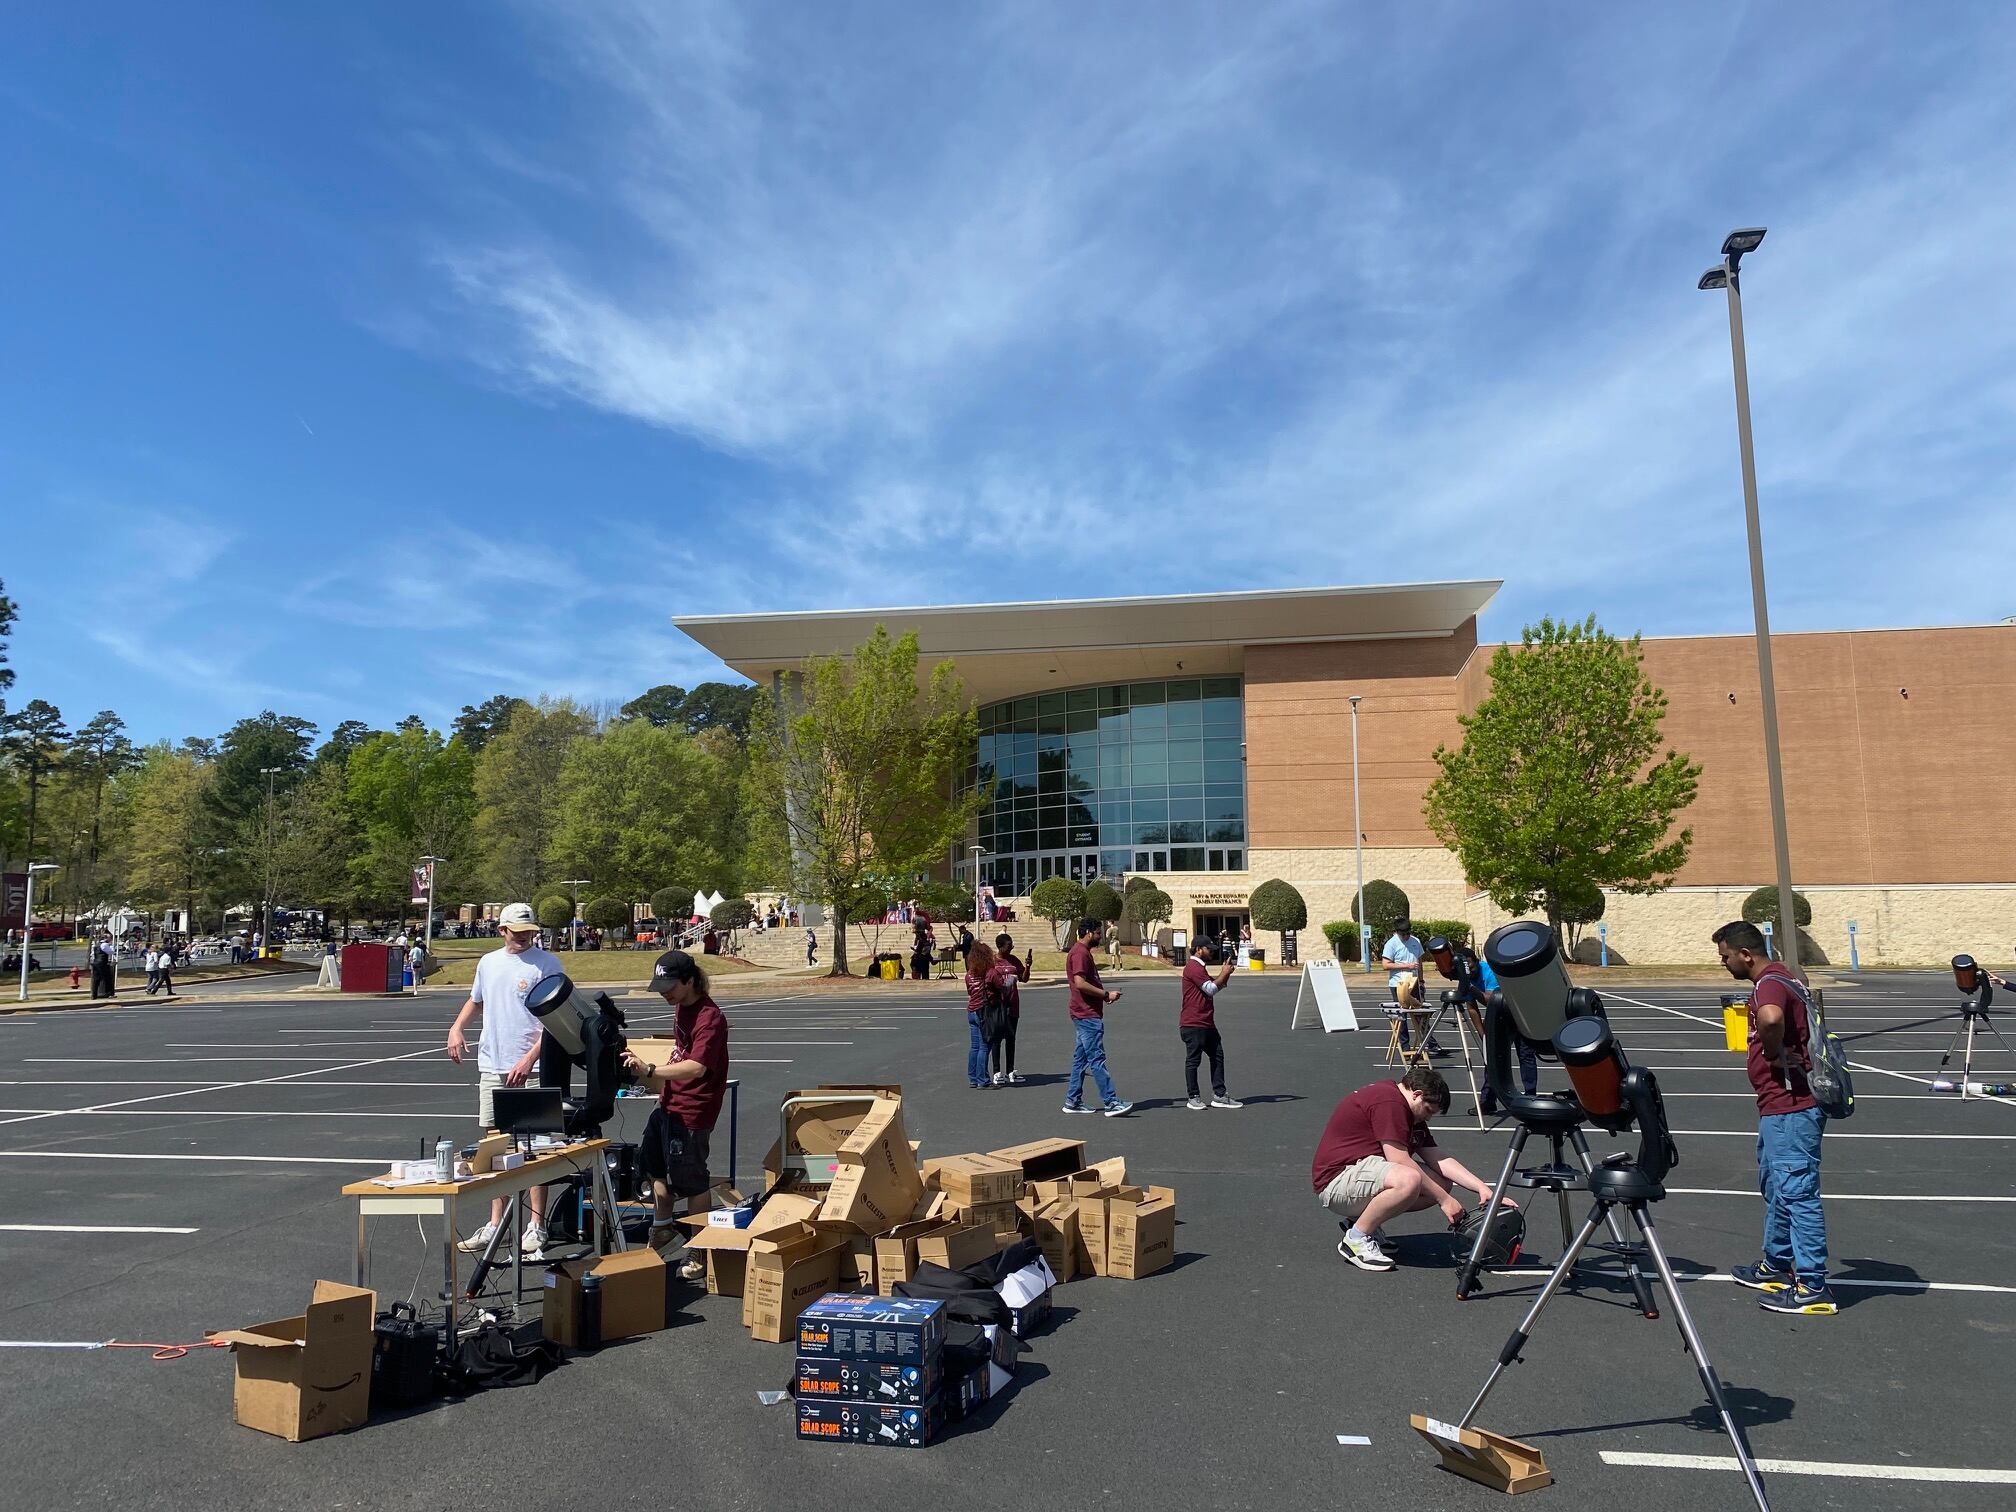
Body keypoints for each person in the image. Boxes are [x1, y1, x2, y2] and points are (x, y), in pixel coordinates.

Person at [1715, 920, 1835, 1315]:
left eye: (1726, 956)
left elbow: (1769, 1019)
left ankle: (1812, 1286)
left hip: (1791, 1107)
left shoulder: (1769, 984)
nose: (1724, 963)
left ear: (1745, 954)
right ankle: (1776, 1264)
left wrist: (1772, 1053)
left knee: (1798, 1192)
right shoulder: (1785, 977)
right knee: (1778, 1187)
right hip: (1777, 1107)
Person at [445, 902, 563, 1260]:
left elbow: (555, 1020)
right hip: (493, 1064)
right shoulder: (489, 963)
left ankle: (536, 1225)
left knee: (535, 1147)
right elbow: (476, 1001)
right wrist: (456, 1027)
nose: (526, 936)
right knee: (494, 1146)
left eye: (530, 931)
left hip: (533, 1067)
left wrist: (530, 1059)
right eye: (518, 931)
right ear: (502, 930)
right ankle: (496, 1224)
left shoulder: (547, 964)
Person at [1313, 1065, 1511, 1271]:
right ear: (1417, 1095)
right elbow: (1399, 1159)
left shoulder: (1408, 1110)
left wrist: (1482, 1188)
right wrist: (1445, 1201)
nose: (1428, 1118)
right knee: (1409, 1179)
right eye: (1428, 1111)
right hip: (1336, 1183)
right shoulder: (1389, 1101)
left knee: (1440, 1183)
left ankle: (1360, 1221)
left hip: (1356, 1177)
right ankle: (1356, 1238)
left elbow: (1438, 1158)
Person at [621, 949, 730, 1281]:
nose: (665, 993)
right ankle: (663, 1229)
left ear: (691, 980)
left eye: (670, 986)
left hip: (693, 1110)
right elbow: (678, 1053)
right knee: (651, 1168)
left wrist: (652, 1068)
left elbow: (696, 1067)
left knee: (692, 1182)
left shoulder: (710, 1017)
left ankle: (700, 1249)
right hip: (669, 1103)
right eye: (660, 986)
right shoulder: (682, 1008)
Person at [1063, 918, 1132, 1116]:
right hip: (1086, 1015)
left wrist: (1104, 995)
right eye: (1097, 933)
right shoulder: (1080, 953)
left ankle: (1072, 1101)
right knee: (1097, 1059)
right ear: (1087, 933)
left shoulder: (1081, 952)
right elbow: (1080, 983)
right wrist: (1105, 995)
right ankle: (1111, 1102)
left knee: (1080, 1059)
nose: (1100, 936)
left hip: (1084, 1012)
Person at [1180, 937, 1241, 1110]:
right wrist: (1224, 974)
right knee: (1193, 1061)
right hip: (1193, 1023)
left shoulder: (1200, 968)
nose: (1212, 951)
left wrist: (1225, 974)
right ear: (1198, 949)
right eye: (1209, 949)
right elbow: (1210, 989)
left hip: (1206, 1022)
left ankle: (1219, 1095)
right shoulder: (1193, 967)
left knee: (1217, 1056)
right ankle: (1193, 1097)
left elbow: (1214, 986)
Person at [1382, 916, 1439, 1056]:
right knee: (1402, 1015)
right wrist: (1406, 965)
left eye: (1408, 933)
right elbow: (1385, 965)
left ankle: (1430, 1043)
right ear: (1397, 932)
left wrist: (1421, 981)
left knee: (1421, 1013)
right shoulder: (1391, 944)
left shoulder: (1415, 941)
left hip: (1414, 983)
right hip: (1399, 983)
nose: (1406, 936)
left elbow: (1419, 962)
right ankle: (1405, 1047)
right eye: (1403, 934)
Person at [990, 932, 1028, 1085]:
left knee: (1011, 1038)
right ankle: (997, 1072)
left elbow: (1024, 978)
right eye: (1009, 945)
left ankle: (1011, 1071)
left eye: (1012, 944)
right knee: (997, 1039)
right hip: (997, 1006)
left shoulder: (1013, 960)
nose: (1011, 947)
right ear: (1000, 946)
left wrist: (1028, 966)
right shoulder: (992, 961)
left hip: (1012, 1005)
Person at [963, 940, 1000, 1089]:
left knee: (975, 1047)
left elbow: (970, 992)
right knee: (985, 1047)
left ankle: (973, 1077)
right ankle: (983, 1080)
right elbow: (1001, 986)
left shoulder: (969, 975)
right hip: (984, 1011)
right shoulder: (990, 973)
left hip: (972, 1010)